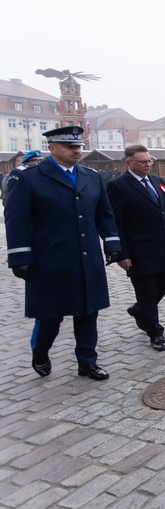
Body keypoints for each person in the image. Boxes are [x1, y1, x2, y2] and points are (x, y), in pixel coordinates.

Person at [5, 126, 122, 380]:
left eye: (78, 146)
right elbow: (16, 220)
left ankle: (87, 362)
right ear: (52, 148)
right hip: (49, 260)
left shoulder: (91, 176)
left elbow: (105, 215)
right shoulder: (28, 178)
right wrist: (20, 256)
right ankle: (40, 351)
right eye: (70, 147)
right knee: (50, 315)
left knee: (88, 312)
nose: (76, 151)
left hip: (86, 259)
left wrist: (112, 244)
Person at [106, 145, 165, 351]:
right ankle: (155, 332)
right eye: (143, 162)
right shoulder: (118, 186)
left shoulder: (158, 181)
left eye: (149, 161)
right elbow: (116, 223)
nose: (148, 164)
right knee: (146, 291)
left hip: (163, 245)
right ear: (129, 163)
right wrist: (121, 253)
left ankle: (140, 310)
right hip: (139, 249)